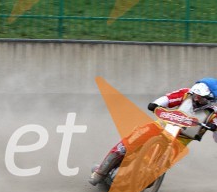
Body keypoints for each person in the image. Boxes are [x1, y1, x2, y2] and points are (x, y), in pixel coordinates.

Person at [89, 78, 217, 186]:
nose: (197, 99)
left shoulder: (214, 110)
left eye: (202, 98)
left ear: (211, 99)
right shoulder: (185, 93)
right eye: (196, 95)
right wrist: (155, 104)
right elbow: (168, 98)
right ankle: (100, 172)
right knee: (128, 143)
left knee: (162, 165)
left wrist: (214, 126)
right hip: (161, 126)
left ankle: (147, 177)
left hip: (181, 140)